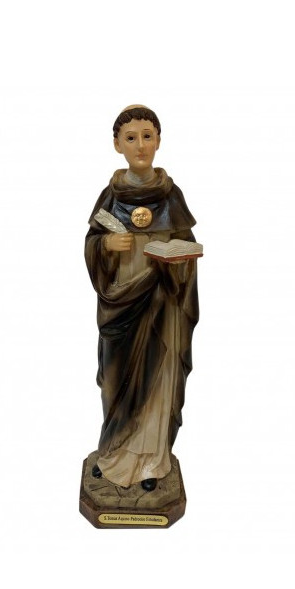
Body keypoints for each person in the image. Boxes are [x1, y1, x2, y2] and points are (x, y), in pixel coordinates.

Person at [85, 105, 200, 491]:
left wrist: (178, 262)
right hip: (121, 305)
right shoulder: (110, 197)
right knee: (115, 383)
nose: (140, 145)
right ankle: (114, 455)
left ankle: (151, 462)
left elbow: (185, 246)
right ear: (117, 144)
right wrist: (105, 246)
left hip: (161, 306)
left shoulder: (171, 196)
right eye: (130, 138)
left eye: (147, 136)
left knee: (157, 381)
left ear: (159, 141)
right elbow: (92, 242)